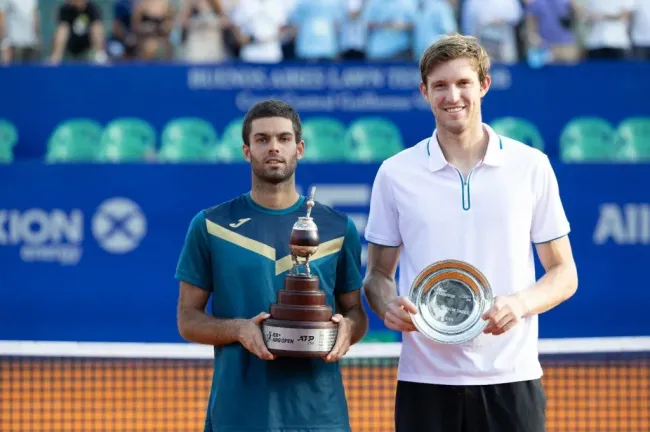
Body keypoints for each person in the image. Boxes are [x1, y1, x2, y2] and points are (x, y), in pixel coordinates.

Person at [362, 34, 578, 432]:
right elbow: (377, 275)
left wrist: (519, 303)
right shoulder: (394, 174)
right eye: (440, 85)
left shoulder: (531, 166)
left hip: (511, 378)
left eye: (463, 83)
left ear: (484, 85)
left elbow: (564, 272)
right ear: (424, 92)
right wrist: (387, 305)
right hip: (424, 381)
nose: (453, 96)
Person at [175, 99, 368, 432]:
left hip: (320, 416)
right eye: (262, 139)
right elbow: (188, 319)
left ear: (300, 148)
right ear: (247, 151)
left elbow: (356, 313)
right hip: (239, 414)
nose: (273, 147)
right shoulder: (210, 225)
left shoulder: (338, 227)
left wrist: (349, 329)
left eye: (283, 138)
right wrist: (239, 329)